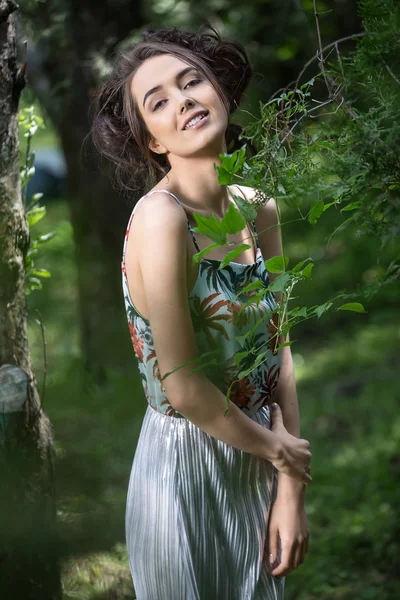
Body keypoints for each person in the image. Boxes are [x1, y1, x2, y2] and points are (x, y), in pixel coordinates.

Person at [91, 25, 312, 600]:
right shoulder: (162, 221)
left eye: (192, 82)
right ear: (153, 143)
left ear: (220, 92)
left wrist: (290, 485)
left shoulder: (259, 208)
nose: (183, 100)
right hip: (184, 466)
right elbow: (185, 386)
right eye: (158, 101)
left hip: (259, 455)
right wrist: (282, 453)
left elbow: (278, 350)